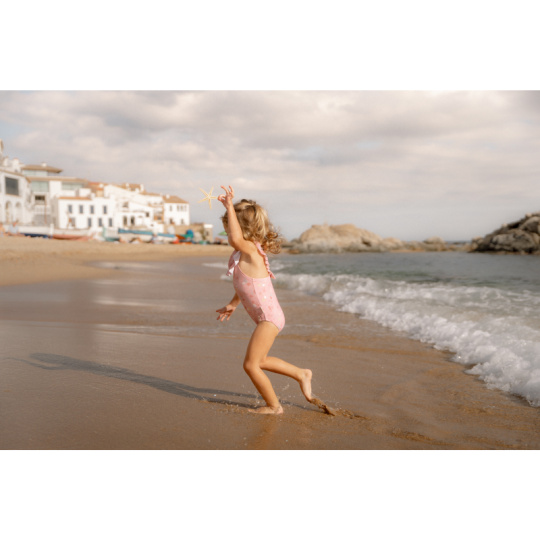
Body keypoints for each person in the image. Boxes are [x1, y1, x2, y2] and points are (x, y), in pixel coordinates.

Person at [216, 185, 313, 415]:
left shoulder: (251, 250)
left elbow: (235, 238)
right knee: (261, 361)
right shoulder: (245, 254)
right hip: (268, 318)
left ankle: (274, 406)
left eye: (229, 226)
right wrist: (233, 303)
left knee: (251, 365)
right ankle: (301, 373)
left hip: (269, 319)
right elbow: (246, 284)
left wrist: (229, 207)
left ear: (240, 228)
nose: (228, 232)